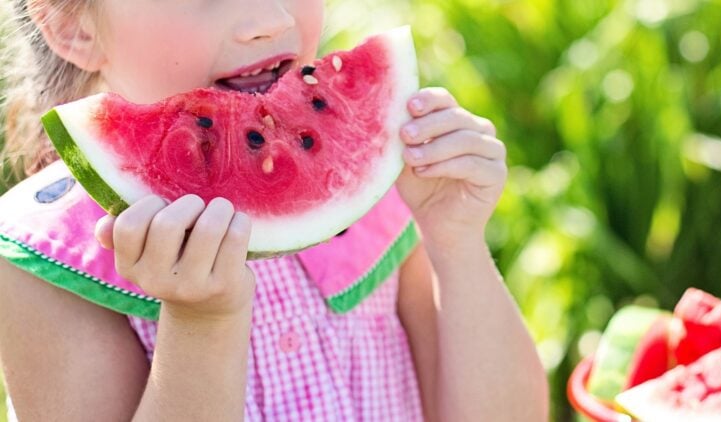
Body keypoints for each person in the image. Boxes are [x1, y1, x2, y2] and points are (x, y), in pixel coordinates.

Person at [0, 0, 548, 420]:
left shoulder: (379, 191)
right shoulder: (45, 258)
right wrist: (201, 325)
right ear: (73, 27)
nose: (268, 19)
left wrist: (457, 242)